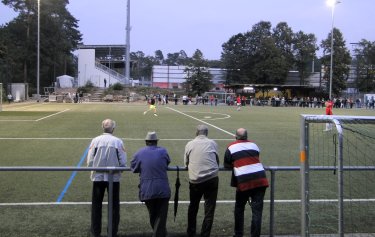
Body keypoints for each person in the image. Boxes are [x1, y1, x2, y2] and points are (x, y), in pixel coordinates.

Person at [224, 128, 269, 237]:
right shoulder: (254, 145)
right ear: (247, 137)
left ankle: (238, 234)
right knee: (257, 211)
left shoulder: (231, 147)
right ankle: (255, 235)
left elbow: (226, 165)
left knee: (239, 208)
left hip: (244, 181)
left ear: (235, 136)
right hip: (260, 180)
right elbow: (256, 157)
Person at [87, 119, 127, 237]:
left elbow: (90, 161)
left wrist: (94, 168)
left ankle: (96, 232)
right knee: (114, 206)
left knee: (96, 205)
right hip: (113, 178)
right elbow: (123, 161)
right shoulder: (118, 142)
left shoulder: (95, 140)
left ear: (102, 128)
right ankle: (112, 232)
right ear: (113, 129)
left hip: (98, 178)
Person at [131, 131, 171, 237]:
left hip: (147, 190)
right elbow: (167, 162)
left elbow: (133, 168)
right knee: (160, 218)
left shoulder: (139, 152)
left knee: (153, 216)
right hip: (162, 190)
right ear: (156, 142)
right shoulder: (163, 151)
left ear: (146, 142)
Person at [184, 124, 219, 237]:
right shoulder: (213, 143)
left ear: (196, 133)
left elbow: (186, 163)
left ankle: (191, 232)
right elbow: (217, 161)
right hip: (211, 178)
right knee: (209, 209)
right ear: (206, 133)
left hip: (196, 180)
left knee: (193, 207)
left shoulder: (190, 144)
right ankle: (205, 234)